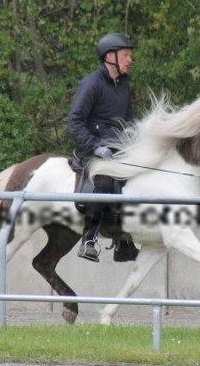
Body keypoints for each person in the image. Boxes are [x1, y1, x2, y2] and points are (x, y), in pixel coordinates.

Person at [68, 32, 139, 262]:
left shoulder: (125, 85)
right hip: (92, 149)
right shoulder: (92, 84)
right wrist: (96, 146)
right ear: (110, 57)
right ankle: (88, 238)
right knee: (107, 178)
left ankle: (123, 240)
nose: (130, 59)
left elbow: (128, 121)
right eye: (126, 55)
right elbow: (75, 122)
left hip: (117, 149)